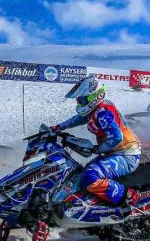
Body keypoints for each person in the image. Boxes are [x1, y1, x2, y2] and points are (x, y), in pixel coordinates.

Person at [49, 76, 143, 205]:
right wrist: (59, 127)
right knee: (80, 174)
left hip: (126, 155)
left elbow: (117, 137)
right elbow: (79, 118)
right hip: (117, 153)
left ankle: (130, 197)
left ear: (94, 96)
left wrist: (97, 149)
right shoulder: (97, 109)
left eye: (81, 100)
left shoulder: (102, 112)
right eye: (78, 100)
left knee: (90, 175)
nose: (79, 103)